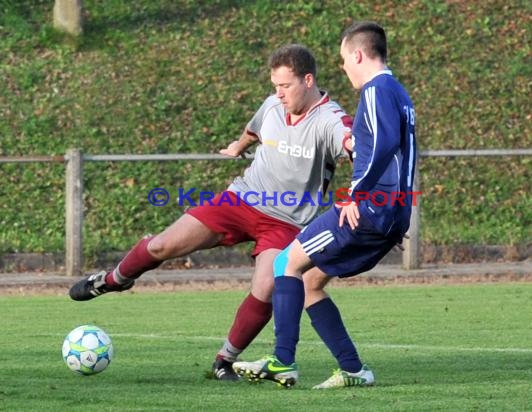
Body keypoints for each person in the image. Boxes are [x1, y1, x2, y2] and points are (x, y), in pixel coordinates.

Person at [68, 44, 353, 382]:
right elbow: (254, 129)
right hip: (240, 201)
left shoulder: (330, 120)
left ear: (308, 80)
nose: (278, 94)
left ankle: (224, 360)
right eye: (274, 86)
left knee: (267, 286)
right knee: (162, 245)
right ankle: (113, 280)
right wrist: (237, 146)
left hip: (288, 222)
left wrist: (355, 194)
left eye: (285, 86)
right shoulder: (273, 105)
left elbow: (358, 147)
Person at [232, 21, 417, 389]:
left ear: (358, 54)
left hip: (369, 207)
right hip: (389, 210)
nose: (344, 68)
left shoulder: (377, 90)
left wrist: (357, 194)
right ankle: (353, 370)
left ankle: (282, 361)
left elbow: (379, 148)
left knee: (286, 262)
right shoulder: (399, 93)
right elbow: (398, 155)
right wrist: (393, 216)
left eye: (344, 60)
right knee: (310, 282)